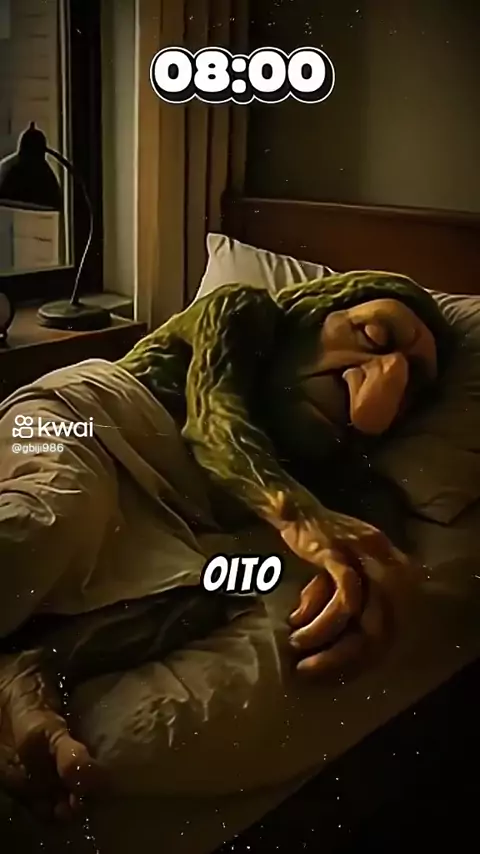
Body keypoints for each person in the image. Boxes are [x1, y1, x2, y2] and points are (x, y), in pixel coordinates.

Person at [0, 270, 450, 817]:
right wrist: (302, 518)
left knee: (215, 589)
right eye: (375, 335)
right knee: (54, 517)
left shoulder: (331, 451)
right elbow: (215, 422)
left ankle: (28, 675)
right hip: (92, 419)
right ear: (320, 311)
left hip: (175, 508)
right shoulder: (248, 312)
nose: (382, 386)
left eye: (409, 387)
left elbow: (374, 506)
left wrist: (372, 575)